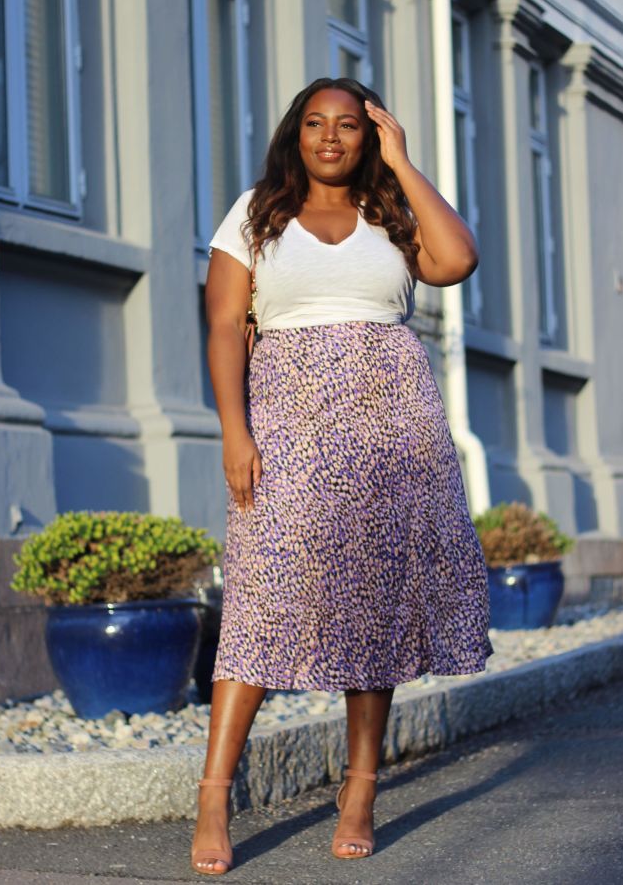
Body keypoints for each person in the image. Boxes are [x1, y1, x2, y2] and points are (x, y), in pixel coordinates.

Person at [190, 77, 494, 876]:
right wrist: (233, 431)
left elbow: (457, 259)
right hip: (287, 425)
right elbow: (222, 325)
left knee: (376, 604)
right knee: (260, 598)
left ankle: (360, 790)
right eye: (316, 123)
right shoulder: (255, 213)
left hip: (393, 429)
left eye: (350, 126)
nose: (331, 136)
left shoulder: (390, 214)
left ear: (369, 135)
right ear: (296, 133)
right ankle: (215, 794)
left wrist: (402, 162)